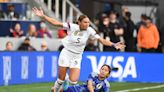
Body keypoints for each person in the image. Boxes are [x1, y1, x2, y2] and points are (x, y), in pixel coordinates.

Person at [32, 7, 125, 92]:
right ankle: (56, 89)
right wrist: (43, 16)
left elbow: (101, 40)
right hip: (66, 53)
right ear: (79, 22)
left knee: (73, 81)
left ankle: (64, 84)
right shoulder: (72, 27)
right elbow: (56, 23)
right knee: (60, 80)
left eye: (88, 22)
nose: (87, 24)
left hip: (77, 56)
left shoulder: (90, 30)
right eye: (85, 22)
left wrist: (113, 44)